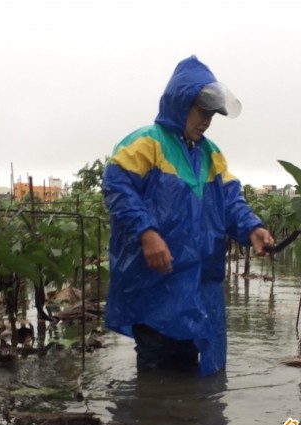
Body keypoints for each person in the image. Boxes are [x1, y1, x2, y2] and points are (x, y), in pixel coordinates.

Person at [102, 55, 274, 376]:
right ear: (180, 103)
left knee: (195, 380)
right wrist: (147, 233)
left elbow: (231, 200)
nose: (206, 121)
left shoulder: (211, 155)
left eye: (211, 114)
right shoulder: (146, 143)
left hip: (200, 288)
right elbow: (117, 187)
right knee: (158, 375)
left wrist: (252, 227)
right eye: (201, 111)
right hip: (155, 284)